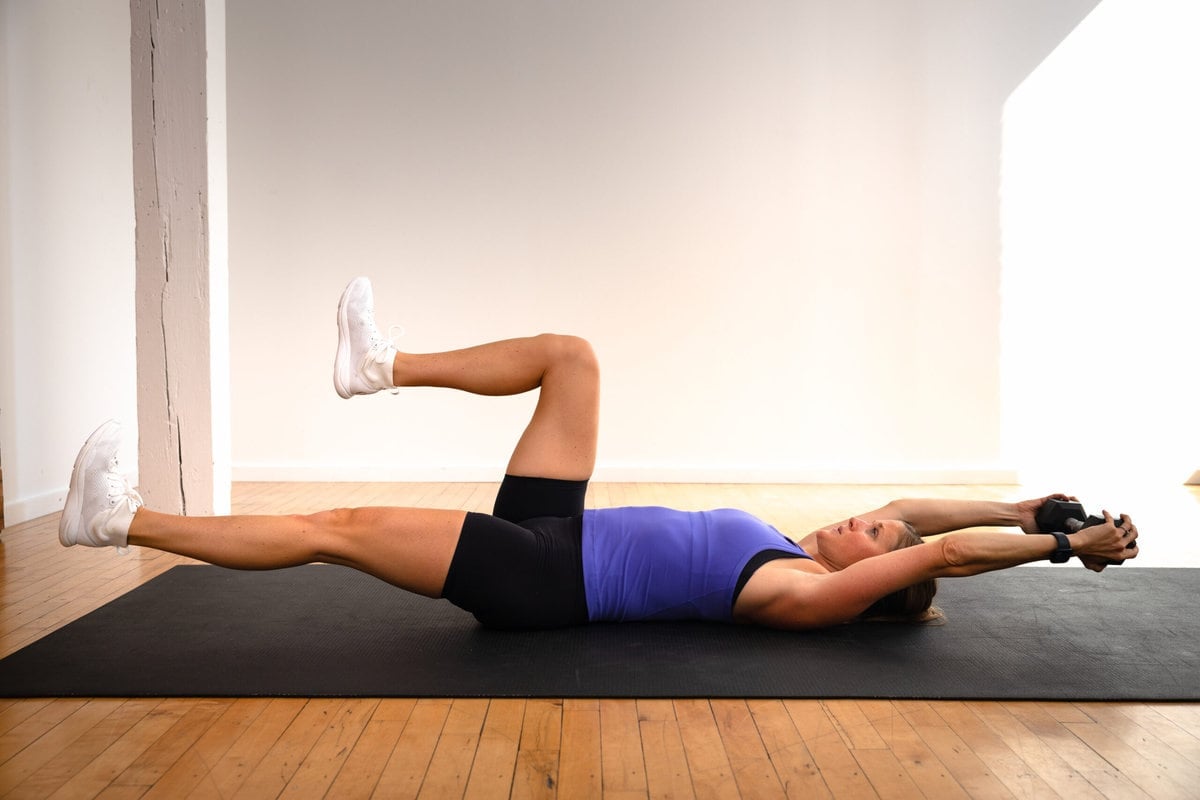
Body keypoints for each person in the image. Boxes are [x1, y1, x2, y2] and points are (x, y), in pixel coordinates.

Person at [58, 278, 1140, 630]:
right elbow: (922, 513)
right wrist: (1031, 500)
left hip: (540, 580)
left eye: (881, 539)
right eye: (882, 524)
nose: (878, 520)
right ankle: (382, 366)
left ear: (870, 576)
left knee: (332, 529)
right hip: (556, 530)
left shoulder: (804, 589)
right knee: (571, 357)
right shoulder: (798, 541)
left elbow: (939, 560)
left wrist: (1063, 550)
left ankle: (121, 520)